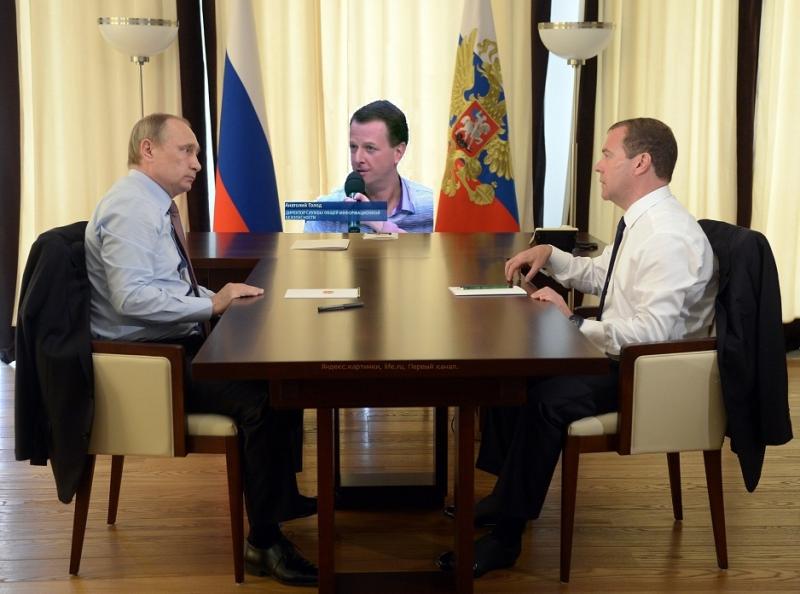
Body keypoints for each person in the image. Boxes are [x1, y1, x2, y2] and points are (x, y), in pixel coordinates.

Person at [438, 117, 718, 576]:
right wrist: (550, 255)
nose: (599, 166)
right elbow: (603, 276)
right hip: (622, 357)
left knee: (547, 399)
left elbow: (653, 334)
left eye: (608, 155)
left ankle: (507, 537)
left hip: (649, 376)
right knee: (511, 372)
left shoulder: (668, 237)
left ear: (641, 163)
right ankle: (507, 496)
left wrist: (570, 322)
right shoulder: (643, 221)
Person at [85, 113, 318, 586]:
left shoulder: (150, 202)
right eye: (186, 151)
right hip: (151, 361)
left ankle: (279, 499)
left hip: (172, 344)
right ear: (148, 150)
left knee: (282, 376)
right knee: (262, 400)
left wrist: (216, 300)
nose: (196, 163)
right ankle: (264, 543)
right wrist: (212, 304)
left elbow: (160, 287)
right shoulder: (130, 208)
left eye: (196, 152)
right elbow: (131, 299)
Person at [303, 100, 434, 233]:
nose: (357, 159)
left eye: (370, 148)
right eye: (353, 147)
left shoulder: (432, 208)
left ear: (398, 153)